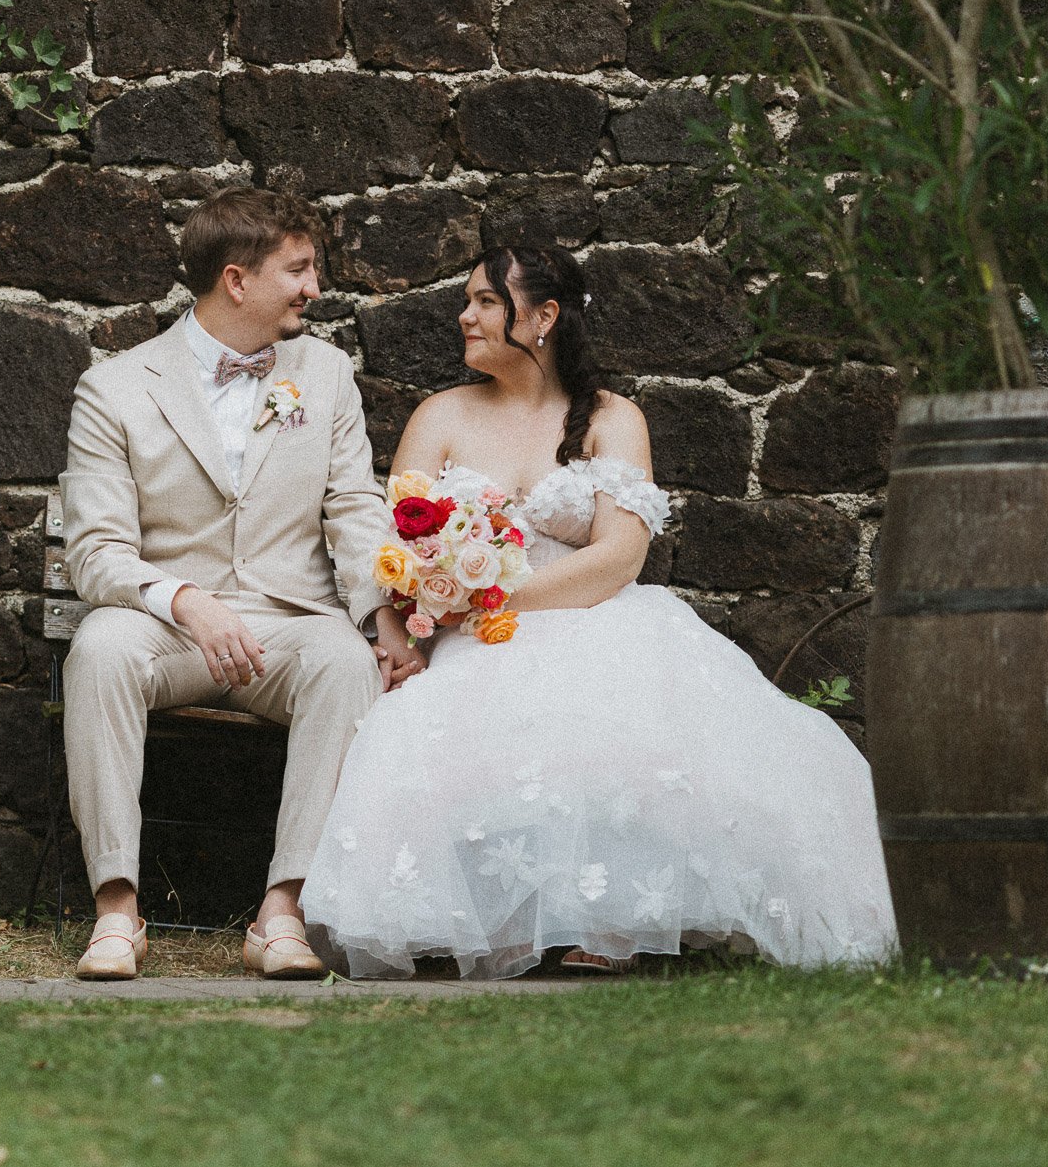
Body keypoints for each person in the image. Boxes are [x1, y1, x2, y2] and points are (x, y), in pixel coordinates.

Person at [301, 245, 899, 978]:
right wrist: (435, 600)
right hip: (470, 634)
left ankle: (614, 920)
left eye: (486, 301)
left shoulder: (613, 417)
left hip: (596, 615)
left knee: (625, 718)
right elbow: (400, 542)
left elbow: (621, 553)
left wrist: (497, 594)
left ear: (544, 316)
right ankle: (488, 920)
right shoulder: (441, 415)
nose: (465, 315)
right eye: (469, 300)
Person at [58, 187, 425, 981]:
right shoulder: (115, 388)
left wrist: (384, 617)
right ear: (237, 279)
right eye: (298, 269)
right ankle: (117, 911)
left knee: (344, 661)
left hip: (287, 622)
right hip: (168, 624)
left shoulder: (325, 375)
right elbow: (94, 551)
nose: (314, 287)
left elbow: (354, 508)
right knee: (98, 649)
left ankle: (282, 910)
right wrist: (186, 601)